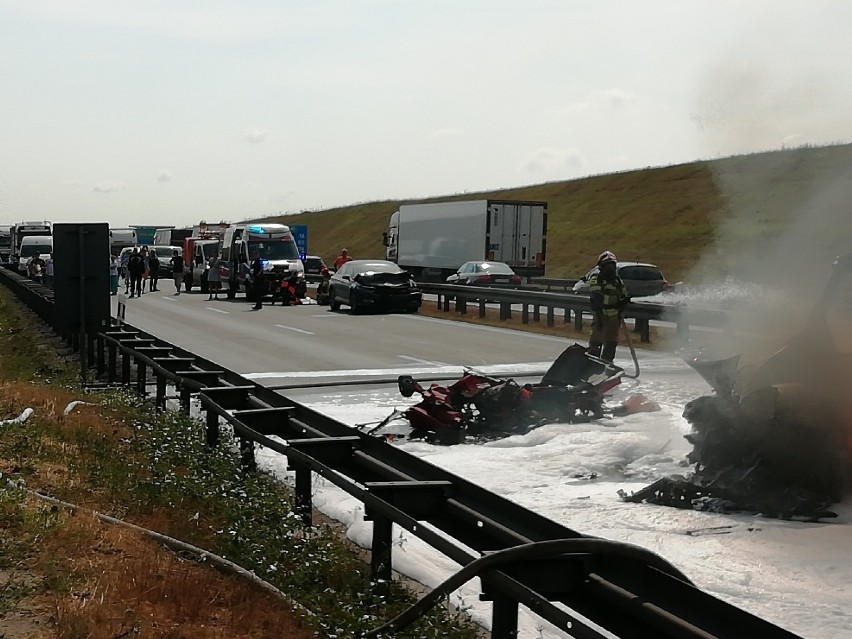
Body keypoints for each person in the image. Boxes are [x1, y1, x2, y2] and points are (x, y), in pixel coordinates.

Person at [587, 251, 629, 363]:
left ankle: (607, 366)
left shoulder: (618, 281)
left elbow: (624, 294)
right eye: (607, 266)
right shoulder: (596, 280)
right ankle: (591, 367)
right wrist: (612, 304)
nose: (610, 268)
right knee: (595, 344)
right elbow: (597, 297)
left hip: (614, 318)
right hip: (600, 316)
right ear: (601, 267)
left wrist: (623, 302)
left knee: (611, 344)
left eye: (612, 265)